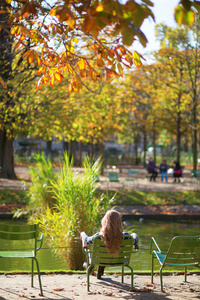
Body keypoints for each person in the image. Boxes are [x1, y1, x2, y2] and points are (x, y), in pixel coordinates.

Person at [80, 210, 139, 279]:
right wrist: (134, 234)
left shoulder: (98, 236)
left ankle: (90, 266)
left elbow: (87, 240)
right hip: (119, 260)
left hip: (100, 260)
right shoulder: (126, 236)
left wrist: (82, 234)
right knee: (111, 249)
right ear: (119, 223)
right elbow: (135, 240)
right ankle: (99, 270)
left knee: (93, 253)